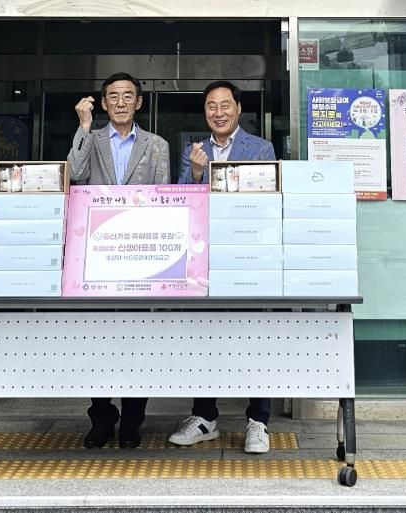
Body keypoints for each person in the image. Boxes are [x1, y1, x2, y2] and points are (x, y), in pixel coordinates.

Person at [67, 72, 170, 449]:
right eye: (114, 96)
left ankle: (132, 420)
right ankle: (101, 417)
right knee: (97, 339)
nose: (121, 102)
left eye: (128, 96)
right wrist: (83, 126)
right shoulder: (91, 139)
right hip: (98, 256)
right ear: (104, 103)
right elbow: (75, 175)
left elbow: (164, 198)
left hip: (141, 256)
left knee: (139, 339)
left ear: (139, 102)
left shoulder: (156, 145)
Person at [173, 80, 275, 454]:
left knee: (254, 335)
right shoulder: (193, 151)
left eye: (225, 105)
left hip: (247, 256)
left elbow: (265, 201)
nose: (218, 112)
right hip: (207, 258)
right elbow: (182, 200)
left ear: (238, 108)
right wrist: (197, 174)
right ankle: (204, 417)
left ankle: (258, 421)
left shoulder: (261, 149)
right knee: (205, 336)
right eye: (211, 106)